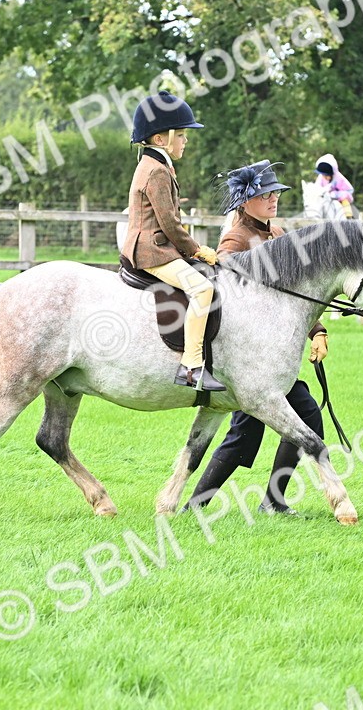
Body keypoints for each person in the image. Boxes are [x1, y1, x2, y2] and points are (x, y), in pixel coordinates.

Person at [185, 160, 327, 515]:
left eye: (276, 193)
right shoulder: (235, 239)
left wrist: (318, 330)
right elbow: (226, 291)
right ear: (246, 201)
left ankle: (270, 501)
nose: (274, 198)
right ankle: (197, 506)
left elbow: (296, 295)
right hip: (246, 359)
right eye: (265, 194)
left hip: (270, 358)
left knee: (303, 416)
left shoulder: (278, 234)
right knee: (244, 435)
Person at [121, 90, 222, 391]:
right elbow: (170, 224)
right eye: (180, 135)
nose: (185, 140)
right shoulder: (156, 171)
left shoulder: (155, 165)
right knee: (203, 289)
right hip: (151, 251)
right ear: (160, 139)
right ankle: (191, 366)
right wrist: (197, 250)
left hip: (155, 246)